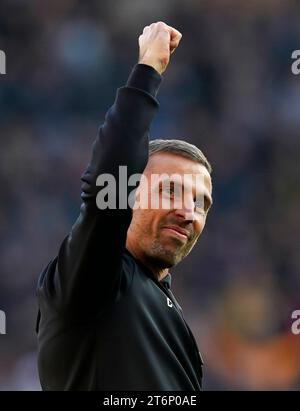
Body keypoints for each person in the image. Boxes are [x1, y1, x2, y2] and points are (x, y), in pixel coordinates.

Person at [36, 21, 213, 391]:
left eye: (201, 202)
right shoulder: (95, 280)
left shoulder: (169, 312)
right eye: (170, 191)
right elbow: (107, 180)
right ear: (126, 193)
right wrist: (148, 69)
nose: (188, 211)